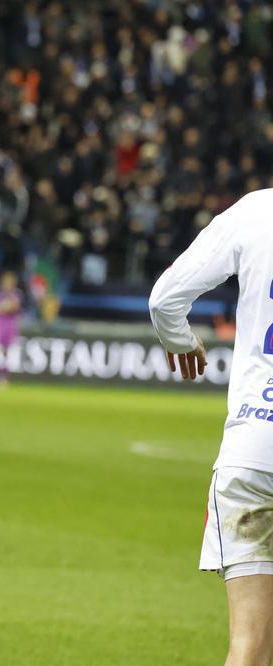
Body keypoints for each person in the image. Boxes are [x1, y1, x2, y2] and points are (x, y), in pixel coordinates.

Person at [149, 188, 273, 666]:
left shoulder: (256, 210)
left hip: (251, 451)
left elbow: (164, 299)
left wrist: (179, 338)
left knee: (247, 647)